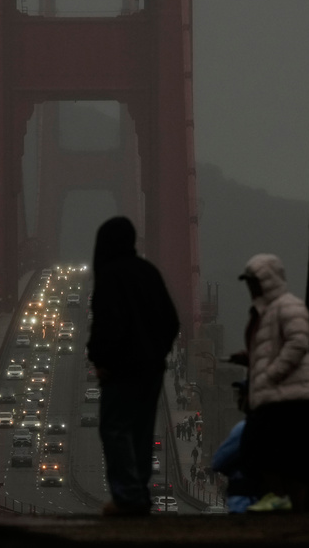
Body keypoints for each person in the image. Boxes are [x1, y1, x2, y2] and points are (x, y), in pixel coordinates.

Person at [86, 216, 179, 517]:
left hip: (121, 371)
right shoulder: (149, 271)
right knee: (141, 432)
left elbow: (106, 324)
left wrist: (101, 360)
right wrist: (157, 354)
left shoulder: (110, 275)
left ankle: (127, 497)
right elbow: (172, 321)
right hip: (151, 370)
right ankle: (139, 494)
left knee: (115, 429)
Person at [235, 253, 309, 512]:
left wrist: (270, 374)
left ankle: (284, 500)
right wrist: (251, 360)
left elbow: (298, 343)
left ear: (267, 281)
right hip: (276, 395)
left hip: (288, 395)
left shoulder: (287, 306)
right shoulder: (266, 311)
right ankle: (288, 503)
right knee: (280, 455)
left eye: (254, 281)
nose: (250, 287)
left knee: (271, 452)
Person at [210, 379, 260, 513]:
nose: (239, 399)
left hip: (244, 498)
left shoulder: (243, 429)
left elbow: (218, 462)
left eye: (243, 394)